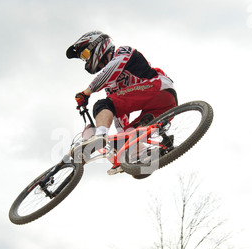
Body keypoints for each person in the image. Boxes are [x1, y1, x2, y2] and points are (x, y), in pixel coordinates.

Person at [66, 31, 178, 174]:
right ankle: (156, 152)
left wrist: (87, 92)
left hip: (159, 87)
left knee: (102, 104)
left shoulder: (123, 51)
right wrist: (120, 148)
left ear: (98, 45)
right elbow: (120, 120)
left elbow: (111, 70)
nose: (86, 60)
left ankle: (100, 135)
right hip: (164, 106)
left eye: (86, 55)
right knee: (126, 138)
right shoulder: (111, 89)